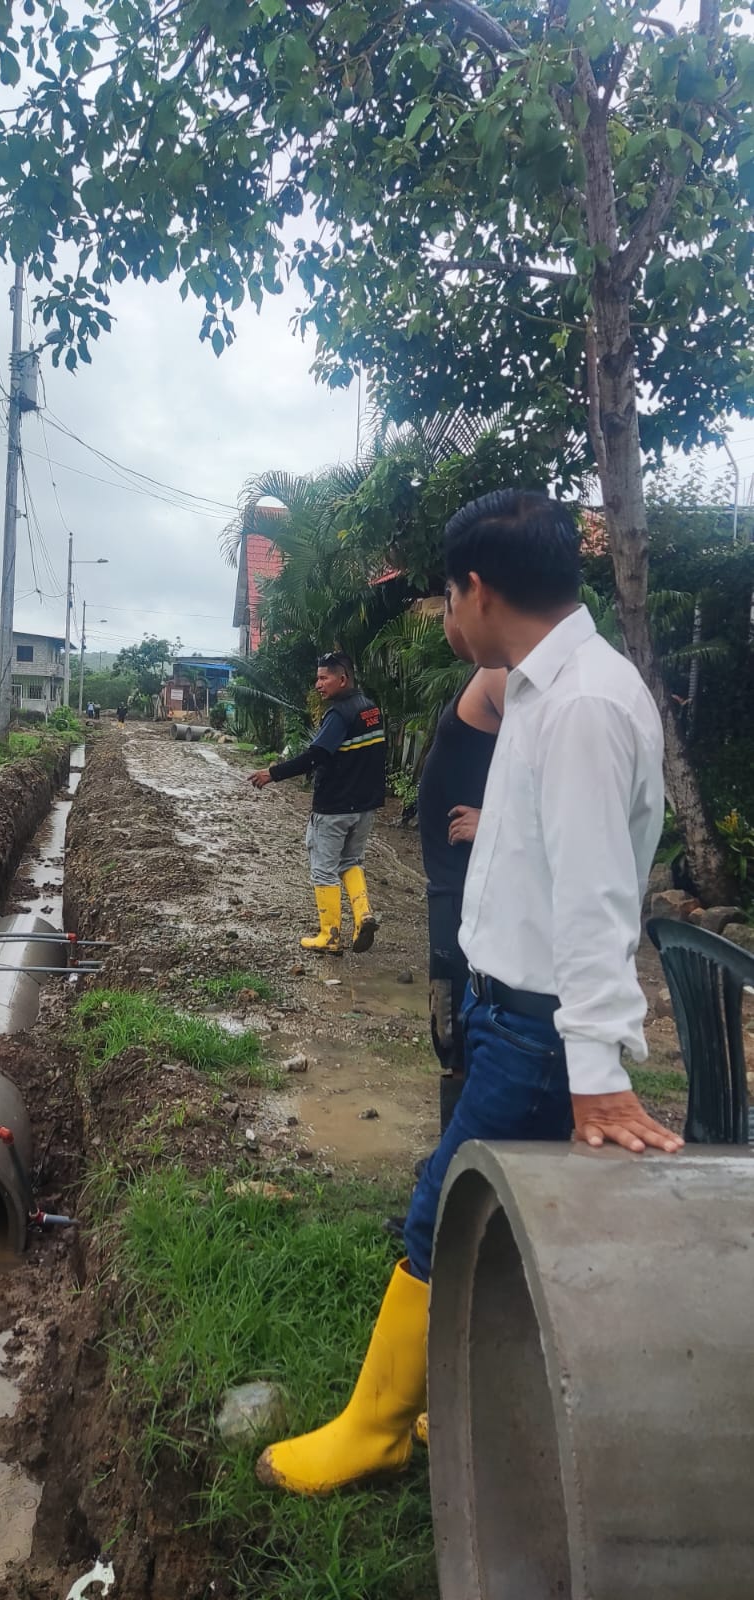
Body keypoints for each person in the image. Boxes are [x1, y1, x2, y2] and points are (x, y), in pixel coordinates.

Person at [256, 488, 682, 1497]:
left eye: (447, 597)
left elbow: (596, 899)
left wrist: (596, 1072)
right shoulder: (541, 687)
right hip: (504, 1009)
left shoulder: (580, 705)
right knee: (482, 1218)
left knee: (444, 1214)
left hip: (537, 1029)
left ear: (478, 590)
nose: (445, 616)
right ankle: (462, 1394)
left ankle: (376, 1431)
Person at [418, 612, 505, 1133]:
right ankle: (455, 1148)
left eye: (450, 599)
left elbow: (546, 771)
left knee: (458, 1020)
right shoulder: (490, 669)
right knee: (450, 1023)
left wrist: (494, 820)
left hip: (467, 882)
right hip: (452, 881)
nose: (447, 616)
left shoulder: (506, 675)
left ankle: (461, 1152)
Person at [249, 651, 385, 954]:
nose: (318, 684)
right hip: (365, 806)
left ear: (343, 679)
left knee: (324, 870)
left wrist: (273, 773)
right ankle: (363, 915)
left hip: (335, 807)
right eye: (318, 678)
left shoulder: (339, 714)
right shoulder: (371, 709)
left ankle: (329, 935)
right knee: (351, 861)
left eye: (324, 678)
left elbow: (316, 756)